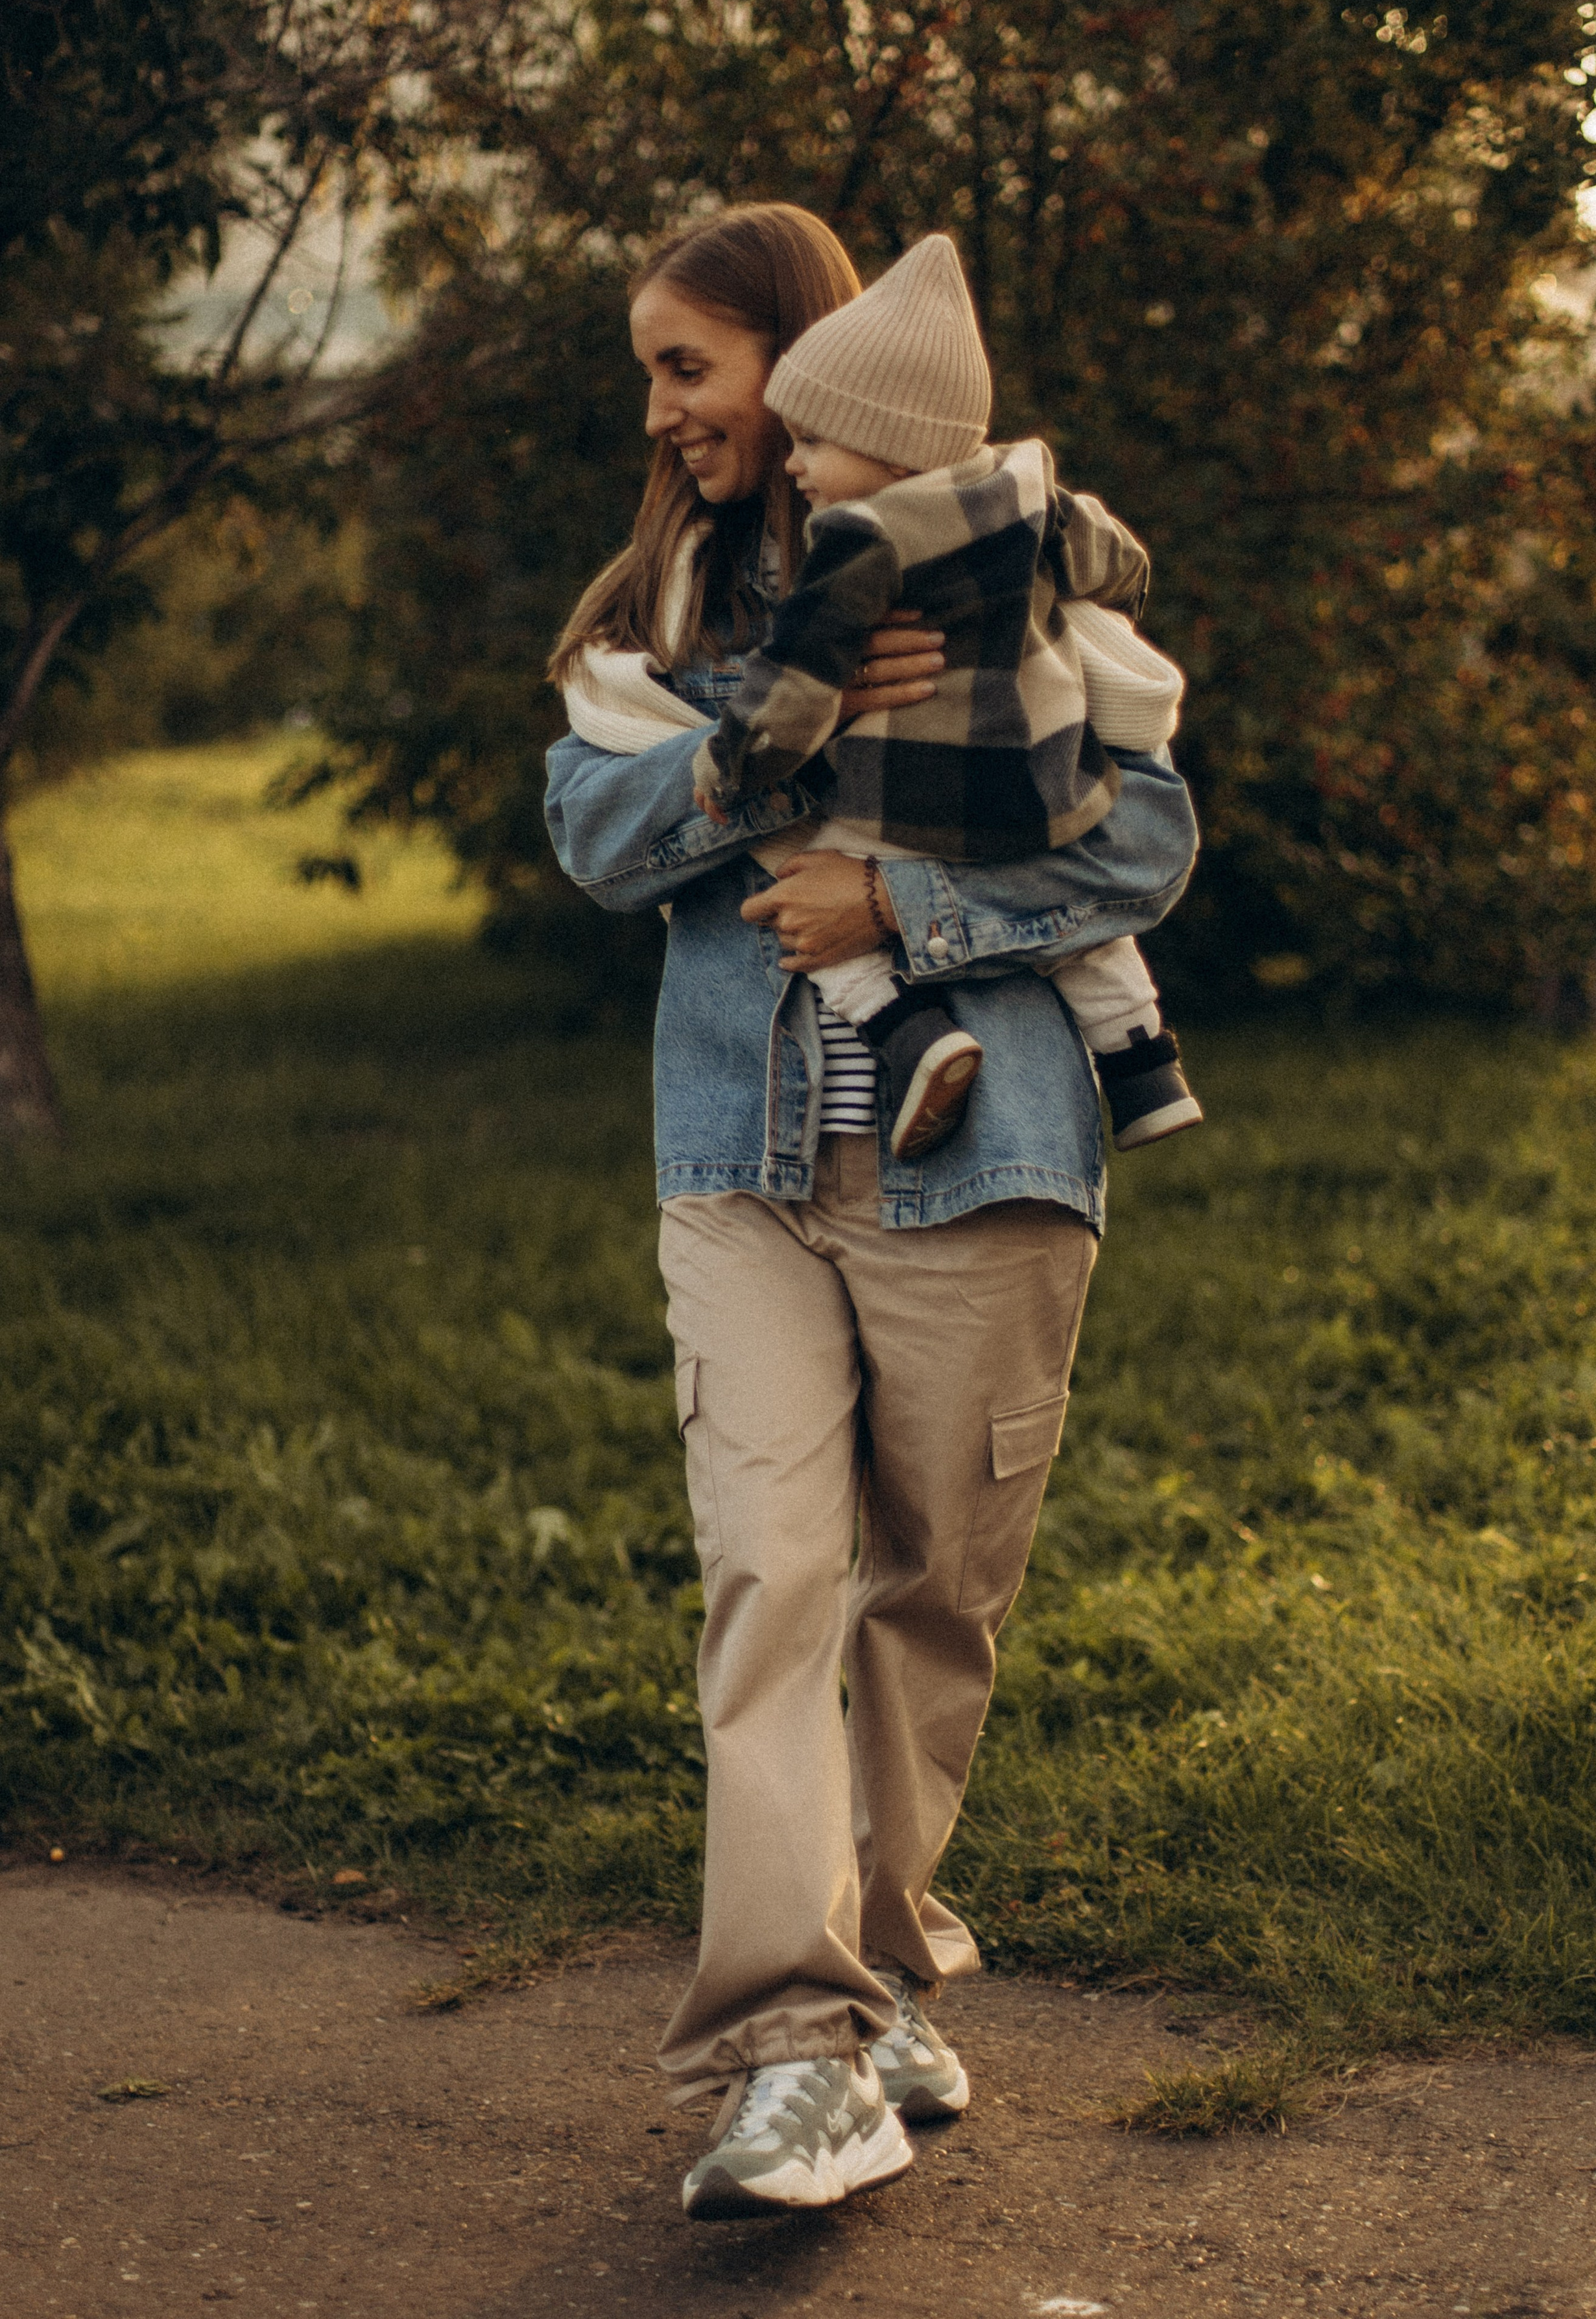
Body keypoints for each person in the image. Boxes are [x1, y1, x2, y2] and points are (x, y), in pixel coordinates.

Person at [542, 201, 1198, 2220]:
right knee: (773, 1581)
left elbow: (1150, 833)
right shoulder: (661, 608)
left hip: (978, 1166)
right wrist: (774, 738)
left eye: (688, 370)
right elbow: (596, 833)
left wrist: (904, 900)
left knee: (929, 1598)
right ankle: (792, 2052)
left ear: (797, 370)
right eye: (651, 374)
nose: (662, 416)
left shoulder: (996, 569)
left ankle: (891, 1975)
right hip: (739, 1176)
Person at [685, 231, 1202, 1160]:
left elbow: (798, 681)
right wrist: (1091, 615)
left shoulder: (862, 536)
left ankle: (911, 1035)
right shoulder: (1037, 492)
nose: (797, 466)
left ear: (885, 444)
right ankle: (1144, 1069)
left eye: (812, 440)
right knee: (1088, 941)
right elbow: (1120, 566)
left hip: (919, 805)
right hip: (1050, 791)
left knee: (801, 868)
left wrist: (732, 761)